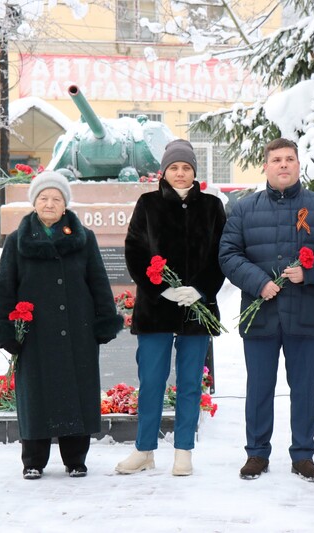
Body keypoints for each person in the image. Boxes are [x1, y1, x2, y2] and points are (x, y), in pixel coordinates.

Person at [219, 138, 314, 482]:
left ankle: (303, 455)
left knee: (304, 388)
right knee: (259, 388)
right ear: (265, 166)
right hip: (260, 314)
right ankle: (256, 453)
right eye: (276, 159)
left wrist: (310, 271)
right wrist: (259, 282)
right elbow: (229, 254)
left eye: (289, 159)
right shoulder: (245, 209)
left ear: (298, 165)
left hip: (304, 314)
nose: (283, 165)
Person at [0, 171, 122, 480]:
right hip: (34, 333)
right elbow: (5, 287)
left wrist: (104, 320)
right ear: (34, 202)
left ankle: (75, 459)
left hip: (78, 330)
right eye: (44, 198)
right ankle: (33, 460)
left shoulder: (83, 237)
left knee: (77, 392)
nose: (50, 203)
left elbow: (98, 281)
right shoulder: (17, 240)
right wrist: (7, 328)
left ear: (65, 205)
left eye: (56, 199)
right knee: (35, 395)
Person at [116, 139, 226, 476]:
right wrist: (161, 290)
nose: (180, 173)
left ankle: (183, 451)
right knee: (152, 381)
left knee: (191, 382)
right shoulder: (148, 204)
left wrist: (201, 289)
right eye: (174, 167)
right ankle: (144, 450)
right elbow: (135, 250)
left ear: (194, 172)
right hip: (156, 310)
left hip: (196, 310)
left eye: (186, 167)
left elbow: (222, 254)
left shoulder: (212, 206)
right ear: (164, 172)